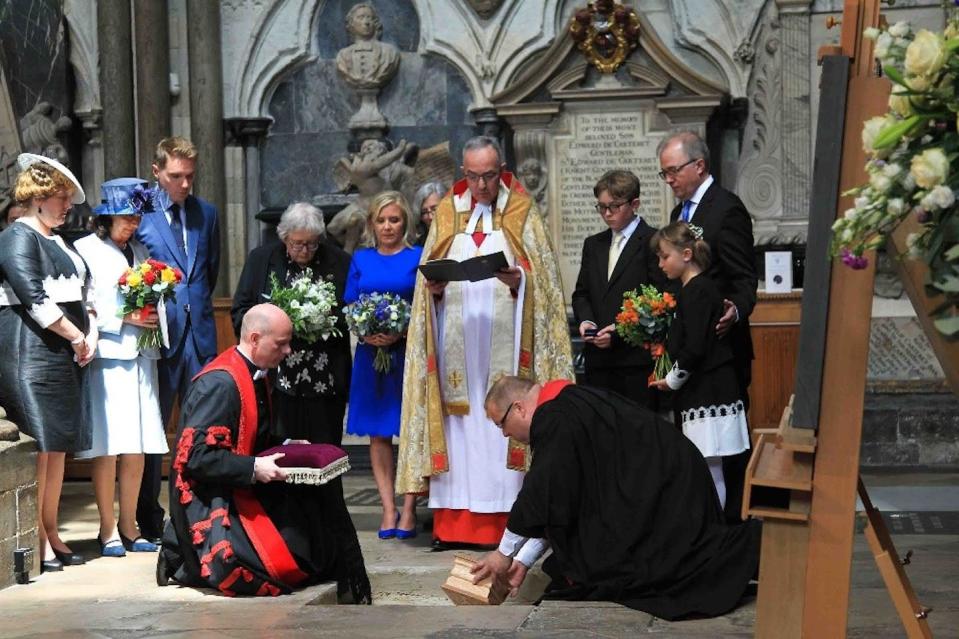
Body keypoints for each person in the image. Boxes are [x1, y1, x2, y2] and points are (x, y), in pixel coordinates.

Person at [397, 136, 573, 548]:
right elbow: (426, 285)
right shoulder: (445, 213)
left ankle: (507, 525)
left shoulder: (523, 212)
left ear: (502, 170)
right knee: (460, 429)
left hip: (506, 346)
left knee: (501, 426)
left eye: (489, 176)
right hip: (457, 345)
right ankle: (455, 526)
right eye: (473, 176)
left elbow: (544, 285)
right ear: (463, 171)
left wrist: (520, 282)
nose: (481, 185)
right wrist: (434, 291)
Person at [472, 376, 760, 621]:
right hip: (667, 478)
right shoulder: (567, 404)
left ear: (519, 408)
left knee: (672, 569)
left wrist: (503, 554)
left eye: (501, 424)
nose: (506, 434)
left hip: (666, 489)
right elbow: (562, 498)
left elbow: (541, 489)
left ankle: (759, 546)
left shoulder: (554, 416)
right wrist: (523, 560)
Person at [157, 304, 372, 601]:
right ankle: (182, 553)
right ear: (255, 339)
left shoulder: (256, 373)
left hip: (238, 481)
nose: (288, 351)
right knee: (280, 566)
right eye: (281, 344)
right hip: (211, 496)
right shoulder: (220, 384)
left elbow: (250, 435)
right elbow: (195, 458)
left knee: (316, 533)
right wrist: (254, 468)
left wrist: (285, 445)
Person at [0, 153, 96, 573]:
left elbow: (84, 292)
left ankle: (51, 530)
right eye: (60, 197)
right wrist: (76, 337)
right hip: (30, 354)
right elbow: (32, 295)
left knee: (55, 448)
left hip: (60, 353)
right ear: (37, 196)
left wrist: (88, 332)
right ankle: (37, 536)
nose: (67, 206)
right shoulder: (17, 236)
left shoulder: (59, 240)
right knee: (40, 447)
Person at [658, 130, 757, 522]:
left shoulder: (726, 209)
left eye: (673, 172)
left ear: (699, 165)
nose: (669, 181)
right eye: (663, 174)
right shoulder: (677, 216)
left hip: (720, 352)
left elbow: (744, 277)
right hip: (691, 353)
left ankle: (734, 532)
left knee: (727, 453)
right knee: (700, 455)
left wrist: (736, 309)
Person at [74, 178, 169, 557]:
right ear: (107, 217)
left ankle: (130, 526)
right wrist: (124, 318)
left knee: (138, 446)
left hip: (143, 357)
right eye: (126, 217)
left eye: (136, 217)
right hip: (109, 357)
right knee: (109, 445)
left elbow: (154, 298)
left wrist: (153, 317)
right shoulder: (85, 250)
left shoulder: (141, 251)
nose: (133, 224)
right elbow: (85, 306)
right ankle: (107, 528)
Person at [135, 136, 221, 543]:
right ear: (157, 173)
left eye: (189, 176)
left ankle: (196, 511)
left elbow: (209, 271)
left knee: (199, 427)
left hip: (199, 337)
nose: (184, 184)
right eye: (175, 176)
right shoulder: (141, 213)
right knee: (153, 427)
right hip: (158, 335)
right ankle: (149, 517)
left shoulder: (207, 214)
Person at [648, 222, 750, 508]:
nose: (660, 264)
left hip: (710, 389)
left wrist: (672, 380)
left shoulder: (699, 290)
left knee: (710, 465)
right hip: (703, 388)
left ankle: (715, 531)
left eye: (665, 256)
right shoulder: (692, 290)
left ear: (687, 254)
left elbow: (695, 348)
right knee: (707, 465)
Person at [231, 202, 351, 445]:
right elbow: (241, 310)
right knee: (280, 447)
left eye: (312, 243)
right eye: (298, 243)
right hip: (276, 378)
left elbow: (349, 312)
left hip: (324, 376)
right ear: (284, 237)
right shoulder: (262, 260)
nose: (305, 250)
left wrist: (319, 321)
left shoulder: (339, 261)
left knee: (324, 448)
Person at [343, 191, 422, 539]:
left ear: (405, 223)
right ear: (371, 224)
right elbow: (350, 304)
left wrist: (400, 331)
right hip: (370, 357)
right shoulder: (361, 259)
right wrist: (366, 331)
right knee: (379, 434)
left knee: (410, 432)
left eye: (395, 220)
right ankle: (388, 508)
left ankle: (409, 509)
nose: (388, 226)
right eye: (382, 220)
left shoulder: (417, 257)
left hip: (407, 354)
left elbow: (426, 307)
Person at [571, 170, 665, 409]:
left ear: (635, 204)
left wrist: (620, 329)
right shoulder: (593, 245)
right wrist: (587, 322)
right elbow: (582, 293)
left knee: (638, 434)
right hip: (598, 362)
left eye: (614, 206)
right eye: (601, 207)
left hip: (635, 361)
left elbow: (660, 299)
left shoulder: (654, 241)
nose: (607, 214)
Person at [411, 181, 446, 246]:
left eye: (434, 209)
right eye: (424, 212)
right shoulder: (419, 246)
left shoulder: (462, 236)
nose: (430, 217)